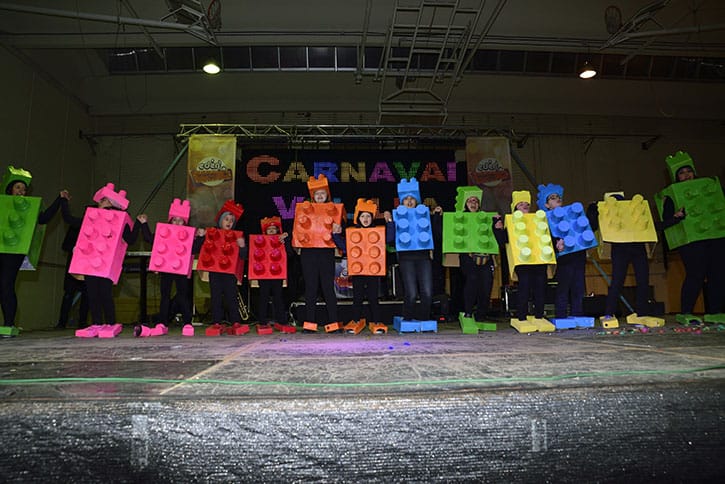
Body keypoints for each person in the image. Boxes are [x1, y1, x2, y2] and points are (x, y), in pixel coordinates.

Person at [65, 183, 146, 336]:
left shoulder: (120, 219)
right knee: (92, 294)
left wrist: (138, 224)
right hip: (91, 262)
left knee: (105, 293)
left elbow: (130, 239)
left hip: (106, 263)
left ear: (112, 203)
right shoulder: (91, 217)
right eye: (101, 200)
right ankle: (97, 323)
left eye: (103, 200)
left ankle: (111, 323)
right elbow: (70, 220)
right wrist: (63, 202)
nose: (100, 203)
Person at [659, 153, 725, 322]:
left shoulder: (709, 187)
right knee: (696, 274)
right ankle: (686, 311)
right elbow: (666, 221)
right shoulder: (672, 196)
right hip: (691, 242)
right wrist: (676, 217)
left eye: (689, 171)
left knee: (717, 274)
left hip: (715, 238)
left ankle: (715, 312)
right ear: (676, 177)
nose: (686, 175)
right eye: (682, 173)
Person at [1, 166, 67, 334]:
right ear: (10, 189)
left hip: (14, 252)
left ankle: (9, 324)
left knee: (6, 285)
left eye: (24, 189)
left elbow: (44, 218)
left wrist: (59, 200)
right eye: (18, 187)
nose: (21, 191)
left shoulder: (29, 207)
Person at [587, 193, 658, 326]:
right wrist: (593, 208)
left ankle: (642, 312)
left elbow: (651, 227)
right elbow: (593, 225)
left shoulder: (631, 212)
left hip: (637, 247)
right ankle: (609, 313)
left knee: (642, 280)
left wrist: (674, 219)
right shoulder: (609, 214)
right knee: (617, 281)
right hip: (620, 248)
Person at [384, 179, 442, 322]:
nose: (409, 202)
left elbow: (436, 235)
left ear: (417, 201)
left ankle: (424, 319)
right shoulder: (398, 217)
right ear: (402, 202)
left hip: (423, 257)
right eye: (406, 199)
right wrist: (390, 223)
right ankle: (408, 319)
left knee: (427, 292)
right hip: (406, 258)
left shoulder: (424, 216)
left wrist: (436, 217)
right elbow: (390, 240)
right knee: (411, 293)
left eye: (412, 199)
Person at [334, 199, 387, 333]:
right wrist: (335, 234)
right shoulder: (353, 233)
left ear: (372, 218)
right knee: (357, 297)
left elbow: (390, 238)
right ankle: (356, 320)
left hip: (373, 271)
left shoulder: (377, 232)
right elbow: (344, 246)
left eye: (368, 216)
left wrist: (390, 222)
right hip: (358, 271)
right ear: (358, 218)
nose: (365, 219)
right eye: (363, 216)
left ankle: (376, 321)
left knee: (373, 297)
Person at [296, 175, 341, 330]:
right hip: (308, 253)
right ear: (312, 196)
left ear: (327, 195)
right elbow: (298, 231)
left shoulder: (333, 211)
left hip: (326, 253)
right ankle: (309, 323)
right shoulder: (304, 211)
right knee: (311, 287)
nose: (320, 196)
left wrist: (338, 231)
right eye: (317, 194)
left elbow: (338, 235)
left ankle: (333, 322)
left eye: (322, 193)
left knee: (328, 287)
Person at [537, 183, 587, 320]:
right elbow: (545, 239)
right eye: (552, 198)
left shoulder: (572, 214)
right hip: (564, 258)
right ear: (547, 205)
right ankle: (561, 316)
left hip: (578, 255)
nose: (557, 199)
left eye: (558, 197)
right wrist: (556, 244)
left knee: (578, 287)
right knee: (563, 288)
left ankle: (577, 314)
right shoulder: (545, 220)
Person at [457, 187, 505, 323]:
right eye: (470, 201)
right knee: (472, 280)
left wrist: (497, 227)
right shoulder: (460, 218)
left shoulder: (487, 219)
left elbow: (499, 241)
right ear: (465, 204)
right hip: (468, 257)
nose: (473, 203)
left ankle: (481, 315)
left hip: (486, 257)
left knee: (486, 284)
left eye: (476, 201)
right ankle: (468, 312)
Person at [196, 200, 247, 327]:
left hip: (230, 273)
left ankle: (235, 321)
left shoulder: (237, 237)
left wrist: (242, 247)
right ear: (220, 220)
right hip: (215, 272)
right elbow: (198, 248)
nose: (229, 222)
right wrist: (201, 236)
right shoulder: (212, 233)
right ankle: (217, 321)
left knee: (231, 296)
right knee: (216, 297)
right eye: (226, 219)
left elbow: (243, 256)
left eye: (232, 220)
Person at [507, 191, 549, 325]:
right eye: (521, 204)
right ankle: (522, 317)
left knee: (540, 288)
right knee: (524, 288)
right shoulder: (511, 221)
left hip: (539, 260)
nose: (525, 206)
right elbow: (504, 240)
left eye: (527, 204)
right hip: (523, 261)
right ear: (515, 207)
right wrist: (498, 228)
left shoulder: (538, 220)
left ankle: (539, 316)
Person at [255, 216, 291, 325]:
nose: (271, 231)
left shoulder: (281, 241)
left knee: (278, 296)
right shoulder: (259, 241)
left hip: (277, 274)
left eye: (274, 229)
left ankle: (281, 320)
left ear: (277, 230)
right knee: (263, 296)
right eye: (269, 229)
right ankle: (262, 321)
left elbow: (290, 254)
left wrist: (286, 242)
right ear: (265, 231)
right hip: (264, 274)